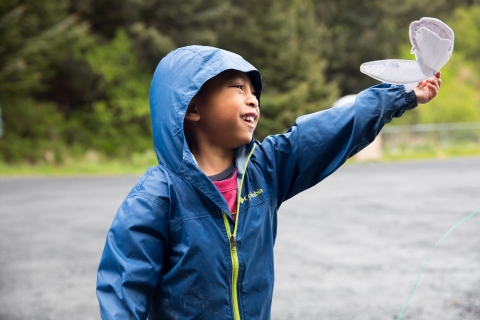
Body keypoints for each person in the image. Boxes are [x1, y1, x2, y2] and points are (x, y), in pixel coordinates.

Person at [96, 45, 441, 320]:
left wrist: (402, 94)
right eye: (237, 88)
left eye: (254, 92)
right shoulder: (159, 195)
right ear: (193, 107)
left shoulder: (266, 168)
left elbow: (329, 129)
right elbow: (125, 286)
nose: (252, 99)